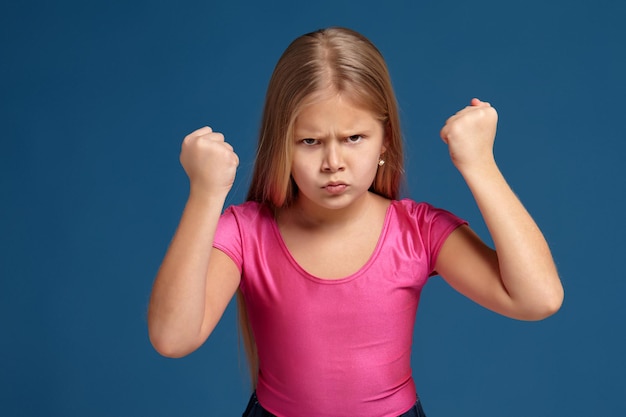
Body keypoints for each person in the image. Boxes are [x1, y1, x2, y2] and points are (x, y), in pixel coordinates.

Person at [147, 27, 563, 417]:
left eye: (354, 138)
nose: (333, 163)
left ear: (386, 140)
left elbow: (538, 299)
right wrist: (205, 195)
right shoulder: (246, 232)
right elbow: (173, 338)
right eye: (310, 142)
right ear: (283, 146)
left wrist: (480, 165)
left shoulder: (417, 232)